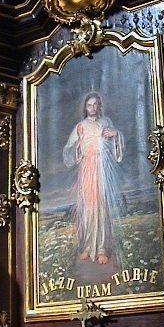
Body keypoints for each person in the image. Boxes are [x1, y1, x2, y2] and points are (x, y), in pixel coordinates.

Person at [63, 92, 124, 265]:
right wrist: (78, 145)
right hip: (87, 170)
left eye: (95, 104)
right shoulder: (80, 126)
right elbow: (68, 150)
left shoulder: (106, 122)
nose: (92, 108)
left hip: (102, 169)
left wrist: (116, 135)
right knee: (88, 208)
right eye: (89, 105)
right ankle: (89, 246)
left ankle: (102, 248)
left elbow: (116, 145)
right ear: (85, 107)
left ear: (99, 106)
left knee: (101, 207)